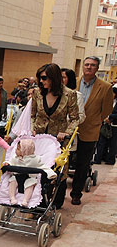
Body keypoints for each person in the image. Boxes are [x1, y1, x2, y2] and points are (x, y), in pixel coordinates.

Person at [31, 63, 80, 208]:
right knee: (38, 169)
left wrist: (67, 132)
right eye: (40, 78)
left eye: (44, 78)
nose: (41, 81)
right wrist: (33, 128)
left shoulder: (69, 94)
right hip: (39, 139)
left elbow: (75, 118)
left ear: (54, 77)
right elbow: (32, 114)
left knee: (58, 171)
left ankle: (56, 202)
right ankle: (37, 202)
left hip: (59, 140)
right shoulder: (37, 93)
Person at [71, 56, 114, 204]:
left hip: (90, 130)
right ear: (83, 66)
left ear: (97, 68)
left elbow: (107, 109)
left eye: (93, 65)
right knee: (63, 162)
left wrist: (95, 120)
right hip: (69, 129)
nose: (89, 67)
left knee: (83, 164)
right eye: (87, 64)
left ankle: (76, 194)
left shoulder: (105, 87)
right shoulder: (73, 83)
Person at [4, 139, 56, 206]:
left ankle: (25, 200)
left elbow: (44, 167)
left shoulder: (35, 159)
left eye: (18, 149)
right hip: (17, 176)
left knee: (30, 184)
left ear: (25, 150)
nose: (15, 150)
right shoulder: (15, 158)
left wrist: (51, 174)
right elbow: (10, 162)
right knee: (12, 182)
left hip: (29, 177)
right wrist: (7, 163)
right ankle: (12, 198)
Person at [94, 85, 117, 164]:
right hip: (105, 125)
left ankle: (110, 160)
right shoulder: (107, 101)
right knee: (101, 142)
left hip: (114, 126)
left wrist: (110, 117)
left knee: (112, 144)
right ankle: (98, 159)